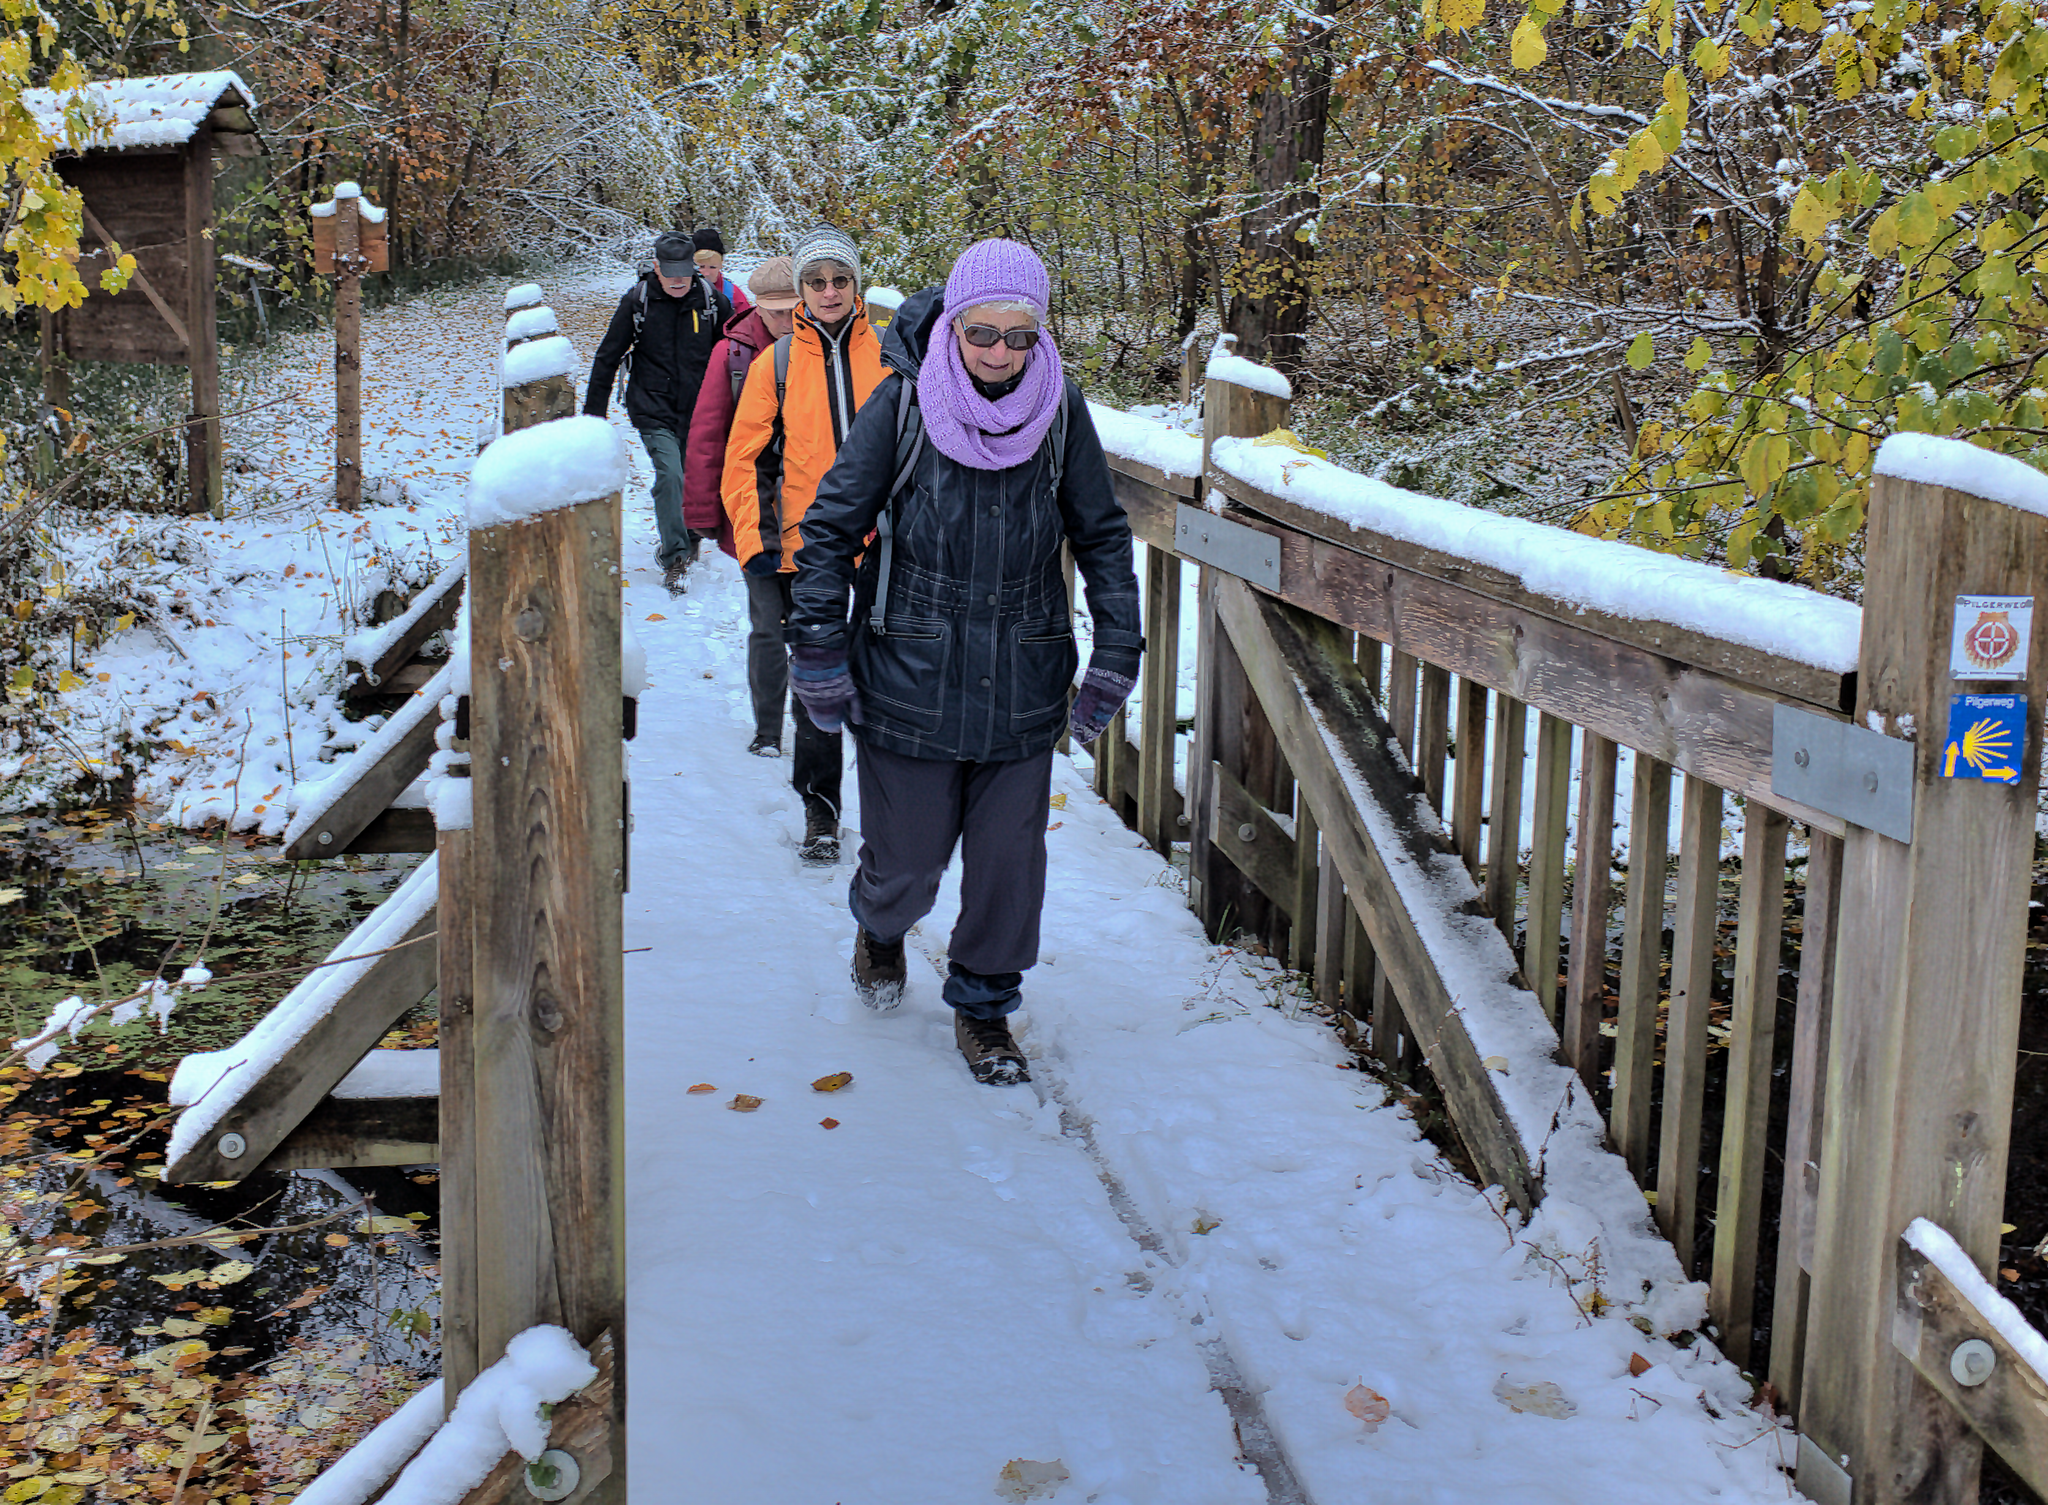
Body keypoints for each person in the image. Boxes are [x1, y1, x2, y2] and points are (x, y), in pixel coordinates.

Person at [786, 238, 1142, 1086]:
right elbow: (831, 528)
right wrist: (819, 648)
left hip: (1022, 675)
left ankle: (984, 1006)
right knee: (905, 864)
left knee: (1008, 865)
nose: (999, 353)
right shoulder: (903, 403)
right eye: (983, 332)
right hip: (908, 669)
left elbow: (1102, 536)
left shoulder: (1061, 411)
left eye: (1020, 337)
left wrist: (1115, 650)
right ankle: (881, 927)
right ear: (953, 323)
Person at [722, 226, 886, 860]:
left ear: (856, 286)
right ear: (800, 292)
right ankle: (821, 810)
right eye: (816, 282)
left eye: (839, 280)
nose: (828, 291)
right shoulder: (779, 362)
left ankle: (892, 806)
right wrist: (756, 539)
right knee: (816, 681)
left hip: (883, 545)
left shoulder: (893, 353)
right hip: (806, 546)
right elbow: (746, 456)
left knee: (887, 677)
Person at [584, 230, 733, 595]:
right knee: (671, 474)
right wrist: (592, 419)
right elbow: (607, 357)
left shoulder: (711, 302)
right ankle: (675, 557)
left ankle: (689, 533)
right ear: (656, 267)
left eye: (685, 271)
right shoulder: (638, 301)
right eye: (671, 272)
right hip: (652, 405)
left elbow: (735, 352)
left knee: (695, 477)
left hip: (700, 409)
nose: (679, 280)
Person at [683, 255, 798, 580]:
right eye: (778, 314)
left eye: (795, 311)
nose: (788, 323)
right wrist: (703, 511)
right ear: (758, 308)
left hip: (812, 507)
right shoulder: (734, 354)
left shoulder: (819, 349)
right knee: (768, 621)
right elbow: (708, 435)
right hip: (755, 510)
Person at [690, 226, 752, 315]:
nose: (707, 273)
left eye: (712, 267)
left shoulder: (732, 293)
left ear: (720, 265)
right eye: (701, 267)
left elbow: (747, 323)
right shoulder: (680, 290)